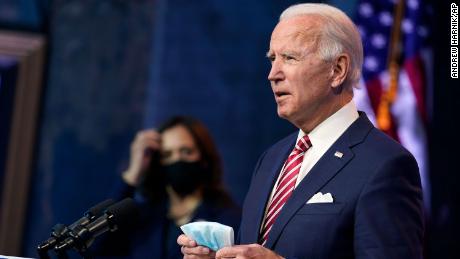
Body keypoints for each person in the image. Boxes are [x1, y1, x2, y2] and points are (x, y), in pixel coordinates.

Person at [178, 3, 424, 259]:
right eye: (272, 59)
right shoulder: (271, 159)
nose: (273, 74)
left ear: (337, 70)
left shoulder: (385, 165)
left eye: (290, 58)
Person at [93, 116, 241, 259]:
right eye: (167, 154)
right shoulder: (144, 216)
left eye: (186, 152)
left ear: (204, 159)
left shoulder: (226, 220)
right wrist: (134, 173)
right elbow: (97, 247)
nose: (177, 160)